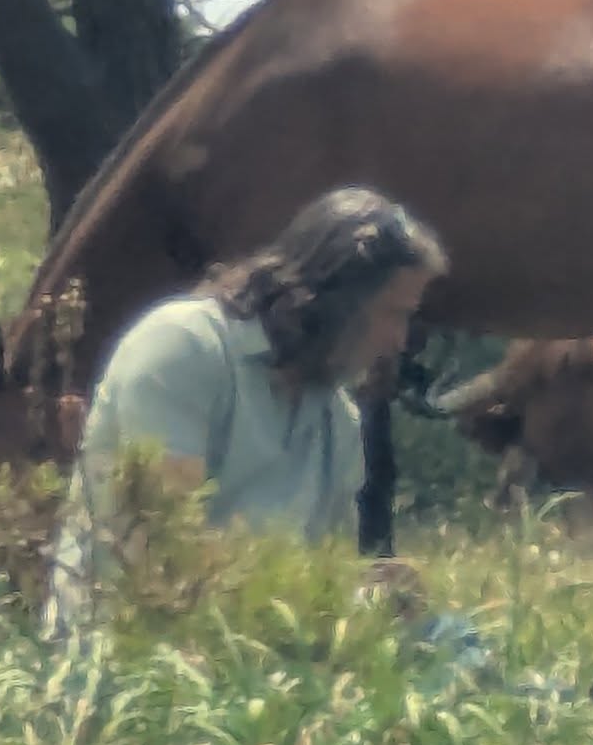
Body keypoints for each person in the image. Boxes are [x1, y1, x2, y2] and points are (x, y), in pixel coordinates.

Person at [43, 186, 446, 635]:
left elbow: (325, 577)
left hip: (258, 648)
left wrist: (366, 589)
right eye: (392, 314)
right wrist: (308, 593)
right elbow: (165, 544)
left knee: (448, 641)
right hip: (132, 646)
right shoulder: (184, 347)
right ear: (336, 299)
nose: (398, 341)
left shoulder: (338, 421)